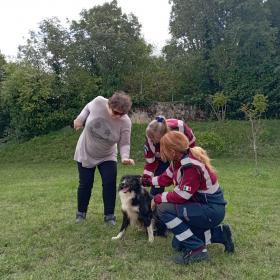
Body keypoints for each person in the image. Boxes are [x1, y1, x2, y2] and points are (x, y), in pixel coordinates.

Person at [142, 131, 234, 265]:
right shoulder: (178, 160)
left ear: (172, 151)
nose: (160, 152)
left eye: (162, 149)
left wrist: (158, 198)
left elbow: (181, 196)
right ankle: (220, 234)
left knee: (163, 208)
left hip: (210, 211)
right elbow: (165, 178)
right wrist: (146, 181)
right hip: (203, 207)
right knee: (178, 245)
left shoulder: (190, 166)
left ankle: (197, 250)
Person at [73, 91, 135, 225]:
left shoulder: (125, 122)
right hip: (86, 151)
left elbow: (124, 143)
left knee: (109, 183)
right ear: (109, 104)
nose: (117, 116)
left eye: (121, 114)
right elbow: (87, 108)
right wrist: (80, 118)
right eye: (115, 112)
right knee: (85, 183)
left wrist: (125, 157)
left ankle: (109, 216)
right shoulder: (98, 102)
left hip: (107, 155)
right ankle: (81, 213)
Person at [143, 116, 196, 196]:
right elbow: (150, 163)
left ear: (163, 136)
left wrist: (188, 162)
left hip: (183, 156)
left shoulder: (180, 128)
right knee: (159, 178)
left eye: (153, 138)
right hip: (162, 160)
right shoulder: (150, 139)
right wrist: (146, 179)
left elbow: (191, 149)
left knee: (185, 178)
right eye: (149, 137)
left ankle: (184, 196)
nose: (150, 140)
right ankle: (153, 200)